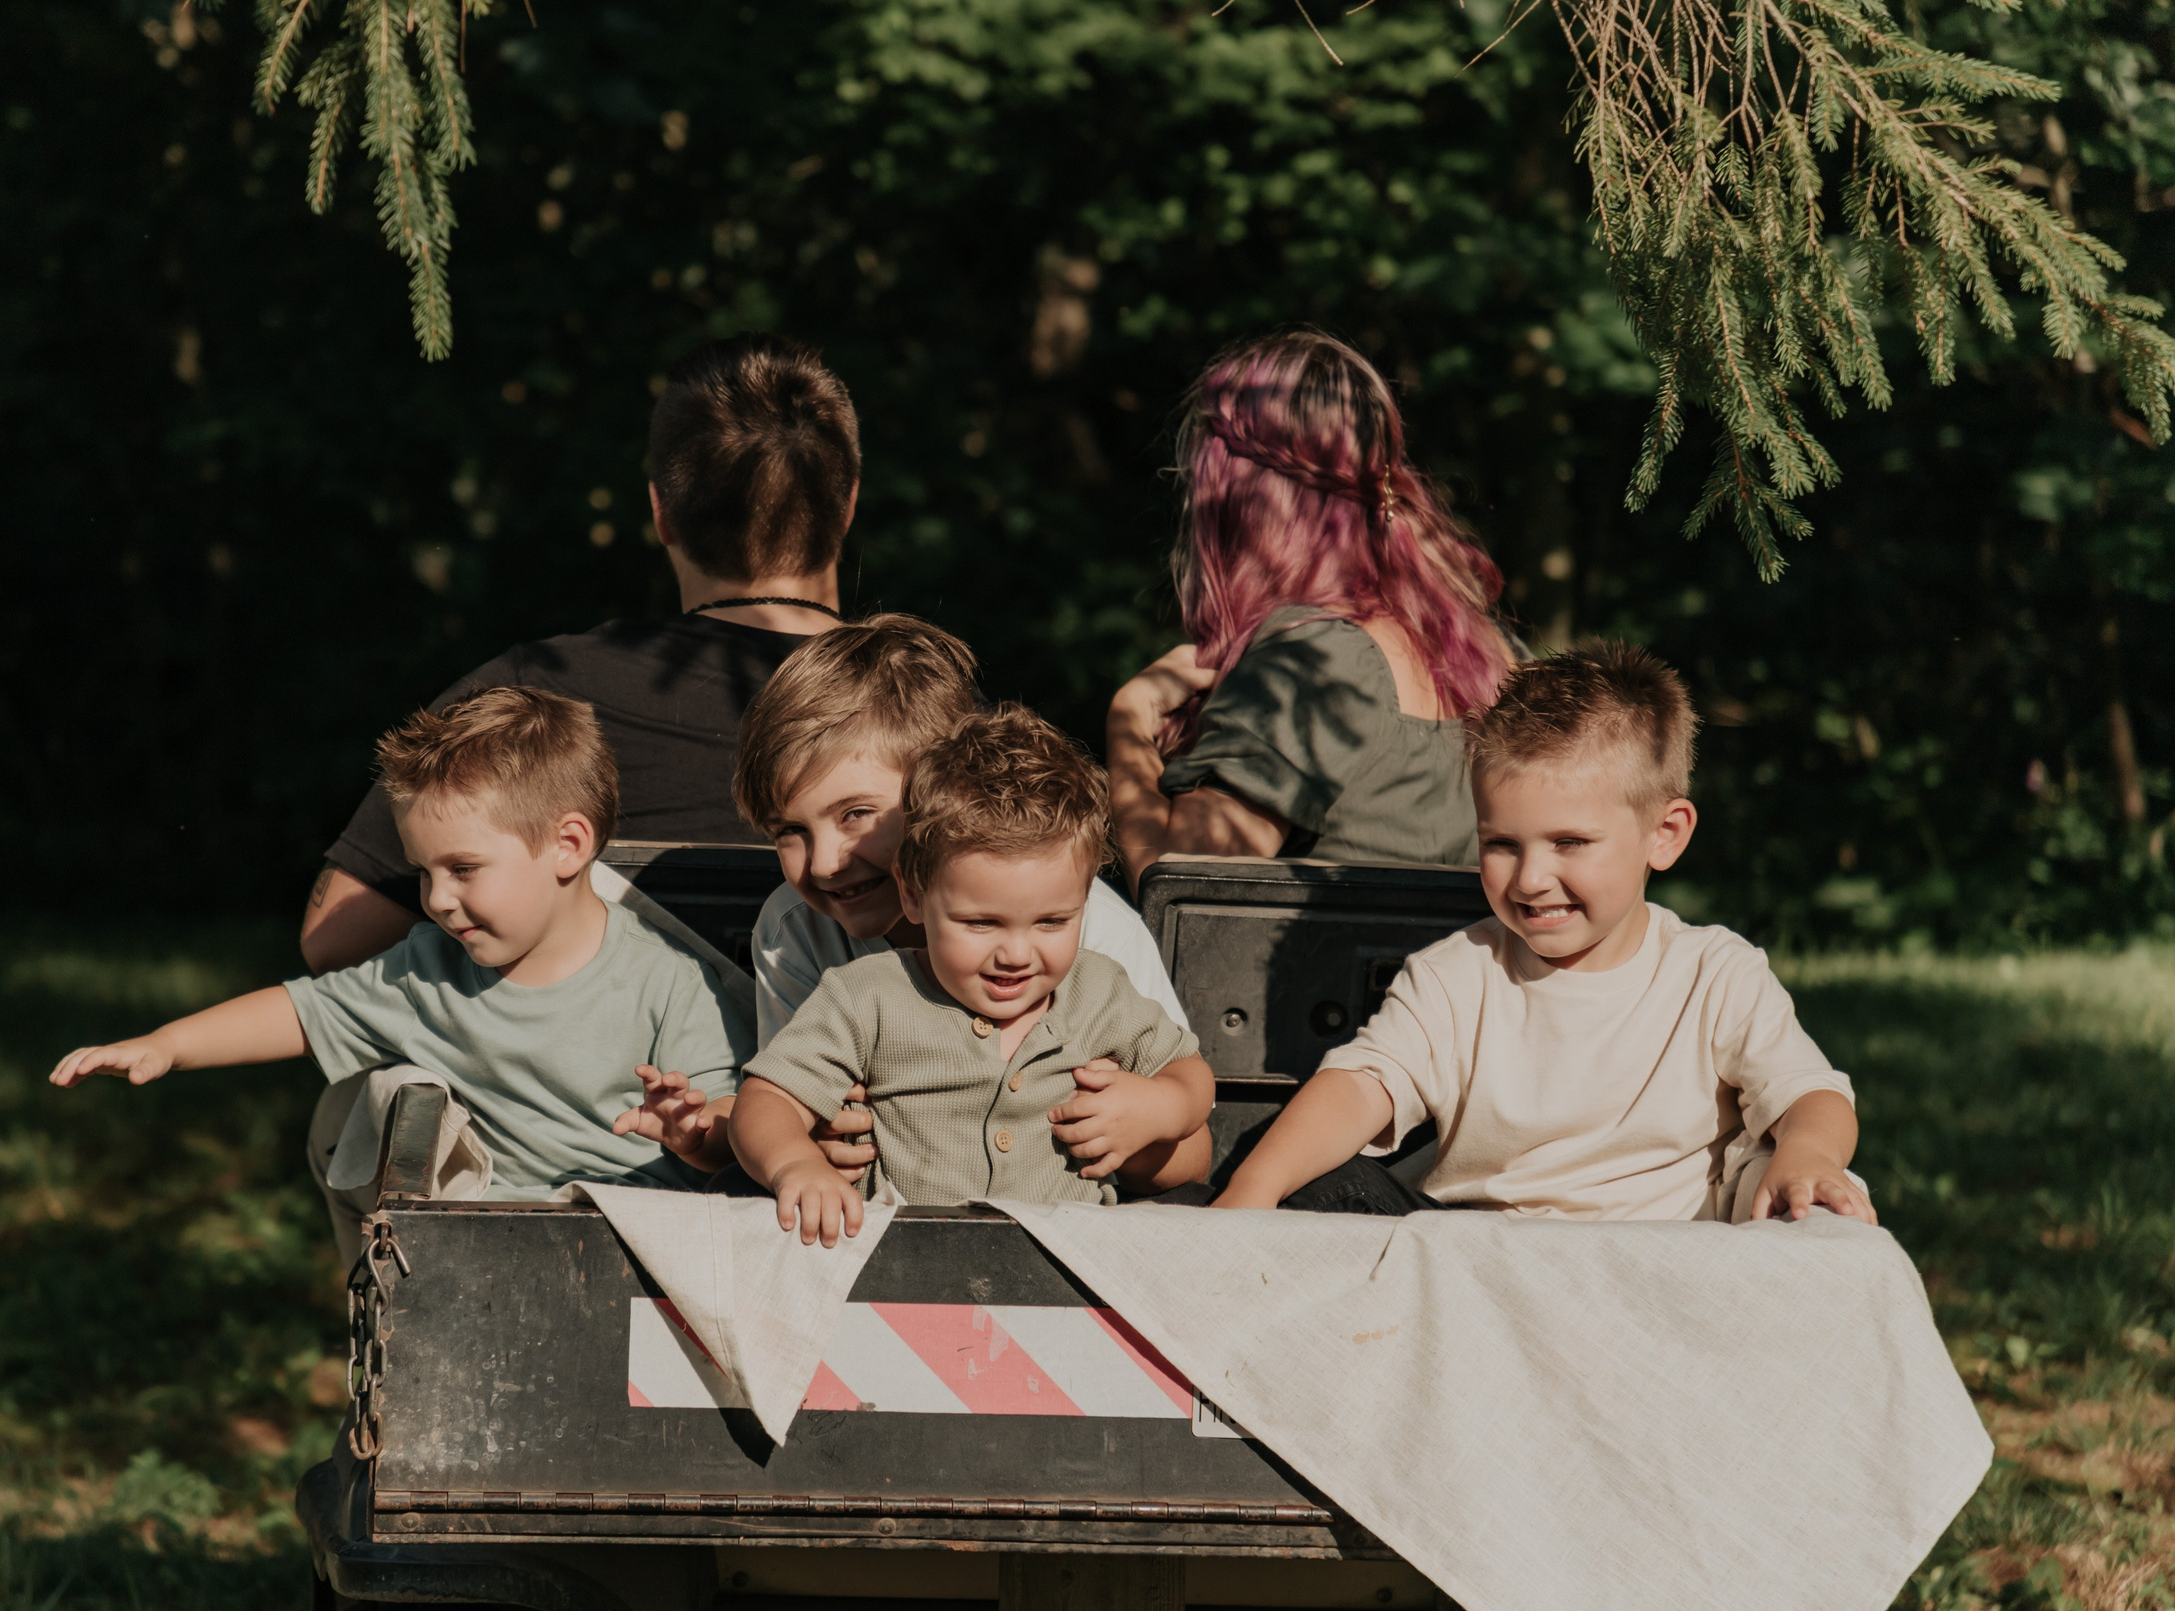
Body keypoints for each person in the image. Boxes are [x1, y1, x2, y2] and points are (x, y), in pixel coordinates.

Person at [50, 688, 761, 1265]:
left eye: (463, 868)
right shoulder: (429, 971)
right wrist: (167, 1044)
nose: (437, 898)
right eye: (424, 871)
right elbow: (302, 1012)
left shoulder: (670, 982)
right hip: (483, 1246)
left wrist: (694, 1131)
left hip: (634, 1252)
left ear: (567, 845)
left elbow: (735, 1126)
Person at [1208, 643, 1873, 1225]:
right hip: (1475, 1260)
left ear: (1663, 834)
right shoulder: (1457, 974)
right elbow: (1362, 1083)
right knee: (1310, 1179)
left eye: (1569, 842)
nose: (1530, 878)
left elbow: (1807, 1091)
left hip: (1658, 1261)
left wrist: (1807, 1153)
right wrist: (1253, 1192)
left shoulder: (1712, 974)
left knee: (1817, 1202)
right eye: (1501, 843)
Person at [301, 334, 862, 975]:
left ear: (662, 512)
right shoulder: (937, 708)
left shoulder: (534, 694)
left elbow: (332, 939)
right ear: (846, 505)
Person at [629, 706, 1215, 1245]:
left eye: (1052, 921)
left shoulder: (1100, 984)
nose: (1017, 953)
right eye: (981, 923)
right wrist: (795, 1163)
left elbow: (1190, 1075)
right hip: (900, 1255)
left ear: (1082, 902)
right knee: (739, 1198)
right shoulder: (870, 994)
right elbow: (769, 1097)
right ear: (915, 895)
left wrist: (1160, 1107)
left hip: (1072, 1255)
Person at [1106, 329, 1516, 890]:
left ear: (1238, 498)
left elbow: (1186, 897)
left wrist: (1130, 718)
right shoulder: (1491, 652)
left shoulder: (1315, 659)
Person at [732, 614, 1190, 1043]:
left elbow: (1181, 1098)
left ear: (941, 785)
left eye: (855, 814)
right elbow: (789, 1103)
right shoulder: (795, 930)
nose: (826, 863)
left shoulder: (1091, 930)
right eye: (790, 831)